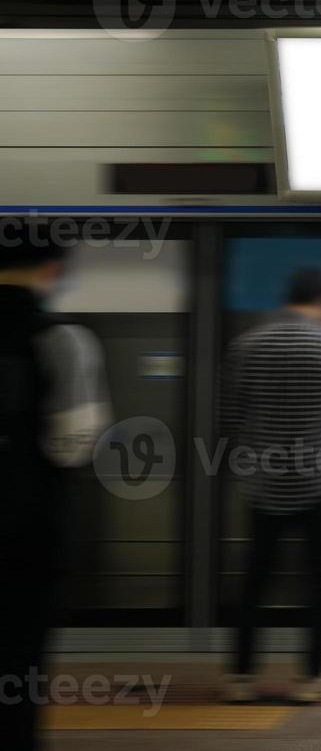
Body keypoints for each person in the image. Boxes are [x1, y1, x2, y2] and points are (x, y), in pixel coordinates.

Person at [219, 267, 321, 704]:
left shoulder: (247, 345)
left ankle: (241, 677)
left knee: (256, 577)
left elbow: (230, 413)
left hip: (264, 478)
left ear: (286, 298)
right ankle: (315, 677)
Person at [0, 222, 111, 749]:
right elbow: (75, 442)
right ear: (53, 269)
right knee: (20, 659)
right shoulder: (62, 339)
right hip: (27, 528)